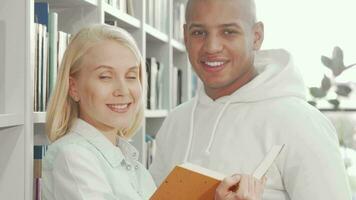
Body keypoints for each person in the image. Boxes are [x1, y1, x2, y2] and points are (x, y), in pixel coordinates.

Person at [149, 0, 352, 199]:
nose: (212, 47)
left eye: (228, 31)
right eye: (199, 33)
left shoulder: (302, 124)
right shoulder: (175, 122)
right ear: (185, 36)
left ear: (256, 36)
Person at [41, 24, 265, 200]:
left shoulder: (130, 162)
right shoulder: (72, 157)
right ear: (73, 87)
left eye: (131, 76)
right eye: (105, 76)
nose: (123, 90)